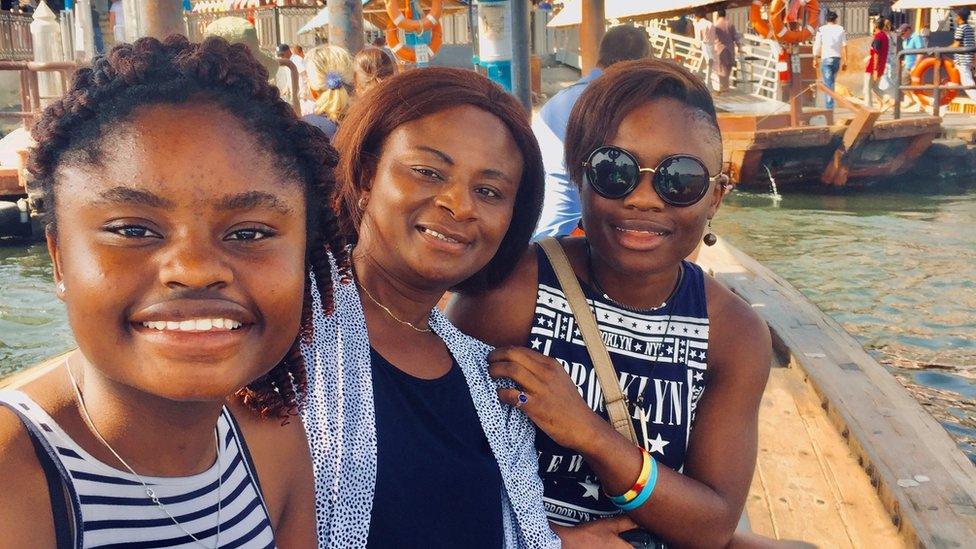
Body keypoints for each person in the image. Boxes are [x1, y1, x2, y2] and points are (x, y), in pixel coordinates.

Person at [0, 35, 345, 547]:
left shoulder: (271, 438)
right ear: (58, 259)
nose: (195, 269)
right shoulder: (16, 476)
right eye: (134, 230)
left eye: (248, 233)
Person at [448, 57, 772, 547]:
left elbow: (712, 525)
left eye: (678, 179)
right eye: (614, 170)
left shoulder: (734, 335)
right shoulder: (511, 293)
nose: (644, 199)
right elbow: (435, 475)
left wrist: (591, 435)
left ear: (715, 197)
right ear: (579, 180)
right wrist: (553, 542)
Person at [300, 66, 566, 548]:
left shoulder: (493, 385)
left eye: (488, 191)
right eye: (428, 172)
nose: (459, 205)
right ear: (364, 176)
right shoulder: (283, 336)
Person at [532, 25, 650, 240]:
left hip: (541, 232)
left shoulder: (556, 102)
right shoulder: (627, 107)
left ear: (600, 56)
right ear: (644, 63)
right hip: (583, 242)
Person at [303, 43, 353, 139]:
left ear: (313, 90)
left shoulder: (307, 127)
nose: (305, 81)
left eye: (307, 77)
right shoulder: (368, 120)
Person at [812, 10, 847, 109]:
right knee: (831, 83)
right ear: (836, 19)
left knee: (828, 84)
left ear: (826, 19)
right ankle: (830, 105)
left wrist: (815, 58)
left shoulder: (821, 30)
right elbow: (844, 46)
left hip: (826, 59)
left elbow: (817, 45)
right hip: (837, 60)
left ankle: (829, 108)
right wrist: (845, 61)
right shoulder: (841, 29)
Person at [712, 8, 739, 94]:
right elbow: (735, 37)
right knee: (727, 69)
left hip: (720, 49)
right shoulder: (730, 24)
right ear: (725, 14)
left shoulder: (716, 25)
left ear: (718, 14)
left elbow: (713, 38)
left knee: (720, 69)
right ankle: (725, 87)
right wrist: (739, 46)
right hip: (730, 49)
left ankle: (723, 88)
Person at [864, 17, 889, 108]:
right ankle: (886, 99)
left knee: (867, 88)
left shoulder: (878, 37)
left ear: (875, 26)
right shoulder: (885, 36)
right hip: (880, 66)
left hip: (873, 67)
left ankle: (868, 107)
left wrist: (875, 69)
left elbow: (876, 53)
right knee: (874, 87)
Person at [952, 8, 976, 101]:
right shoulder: (970, 28)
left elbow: (956, 44)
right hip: (968, 59)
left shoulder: (960, 28)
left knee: (967, 83)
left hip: (961, 60)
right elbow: (972, 44)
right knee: (962, 80)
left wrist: (941, 49)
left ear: (959, 17)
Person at [693, 9, 716, 91]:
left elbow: (698, 39)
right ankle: (709, 84)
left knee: (698, 68)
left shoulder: (699, 24)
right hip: (712, 47)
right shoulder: (710, 24)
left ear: (697, 16)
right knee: (709, 67)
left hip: (704, 47)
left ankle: (701, 85)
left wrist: (695, 48)